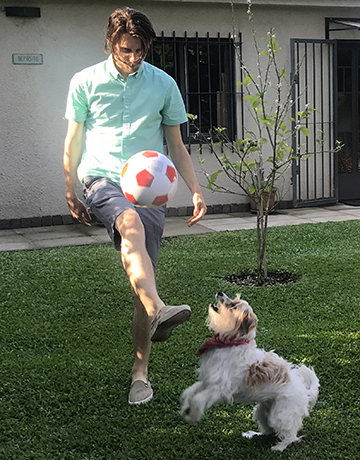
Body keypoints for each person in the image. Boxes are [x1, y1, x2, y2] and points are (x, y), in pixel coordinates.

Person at [63, 7, 207, 405]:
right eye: (127, 50)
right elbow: (73, 140)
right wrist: (70, 187)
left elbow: (177, 145)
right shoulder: (85, 82)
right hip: (102, 178)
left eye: (141, 51)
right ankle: (159, 308)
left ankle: (140, 374)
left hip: (151, 188)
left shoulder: (163, 84)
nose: (134, 57)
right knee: (128, 222)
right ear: (112, 43)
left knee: (143, 281)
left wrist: (195, 189)